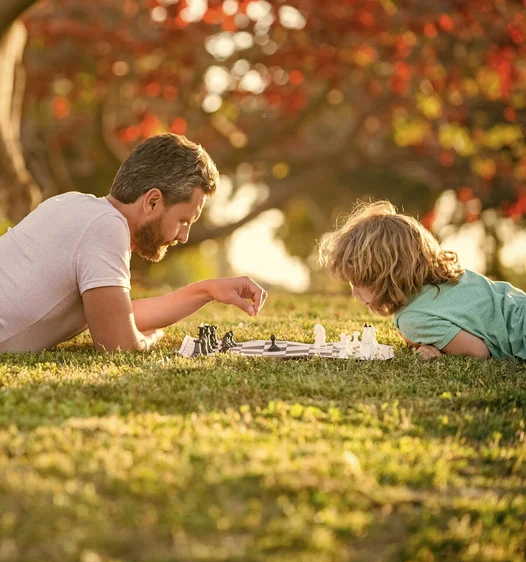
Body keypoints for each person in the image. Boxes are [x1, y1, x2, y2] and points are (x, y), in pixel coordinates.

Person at [0, 134, 267, 353]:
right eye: (184, 220)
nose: (183, 236)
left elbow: (117, 314)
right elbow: (118, 344)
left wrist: (208, 290)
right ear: (152, 201)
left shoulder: (73, 204)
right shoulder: (106, 227)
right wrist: (147, 341)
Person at [318, 200, 526, 360]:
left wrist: (419, 341)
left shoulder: (412, 319)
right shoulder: (448, 277)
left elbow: (479, 352)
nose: (353, 292)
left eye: (357, 282)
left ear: (384, 276)